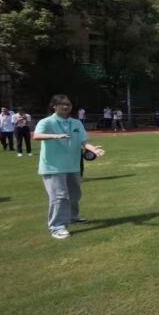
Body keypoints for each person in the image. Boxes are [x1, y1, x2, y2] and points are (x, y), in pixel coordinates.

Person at [33, 95, 106, 240]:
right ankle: (57, 227)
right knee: (59, 196)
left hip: (72, 165)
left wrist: (92, 149)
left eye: (68, 104)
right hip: (53, 166)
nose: (66, 107)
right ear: (54, 106)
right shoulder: (46, 122)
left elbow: (84, 141)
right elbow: (36, 135)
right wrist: (55, 136)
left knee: (75, 194)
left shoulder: (76, 123)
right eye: (62, 104)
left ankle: (73, 216)